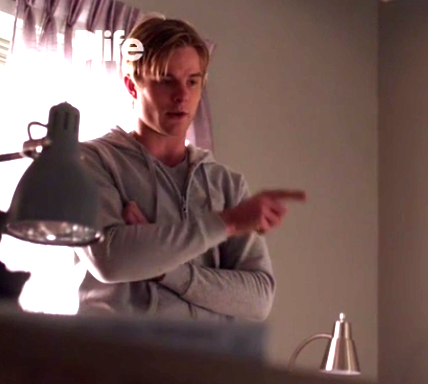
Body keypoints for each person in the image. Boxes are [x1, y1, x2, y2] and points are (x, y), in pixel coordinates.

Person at [75, 16, 305, 321]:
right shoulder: (91, 161)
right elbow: (109, 260)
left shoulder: (226, 184)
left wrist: (163, 267)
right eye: (166, 80)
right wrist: (227, 222)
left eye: (192, 81)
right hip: (116, 350)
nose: (182, 95)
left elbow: (258, 299)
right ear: (132, 86)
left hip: (205, 352)